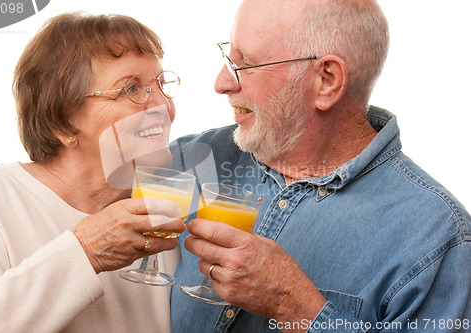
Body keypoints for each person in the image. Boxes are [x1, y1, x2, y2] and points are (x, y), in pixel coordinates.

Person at [166, 0, 471, 332]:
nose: (221, 82)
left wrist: (295, 306)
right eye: (228, 56)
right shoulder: (194, 157)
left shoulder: (439, 238)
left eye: (246, 64)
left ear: (327, 80)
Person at [0, 12, 186, 332]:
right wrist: (87, 250)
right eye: (131, 88)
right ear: (61, 122)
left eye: (161, 84)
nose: (163, 106)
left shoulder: (169, 214)